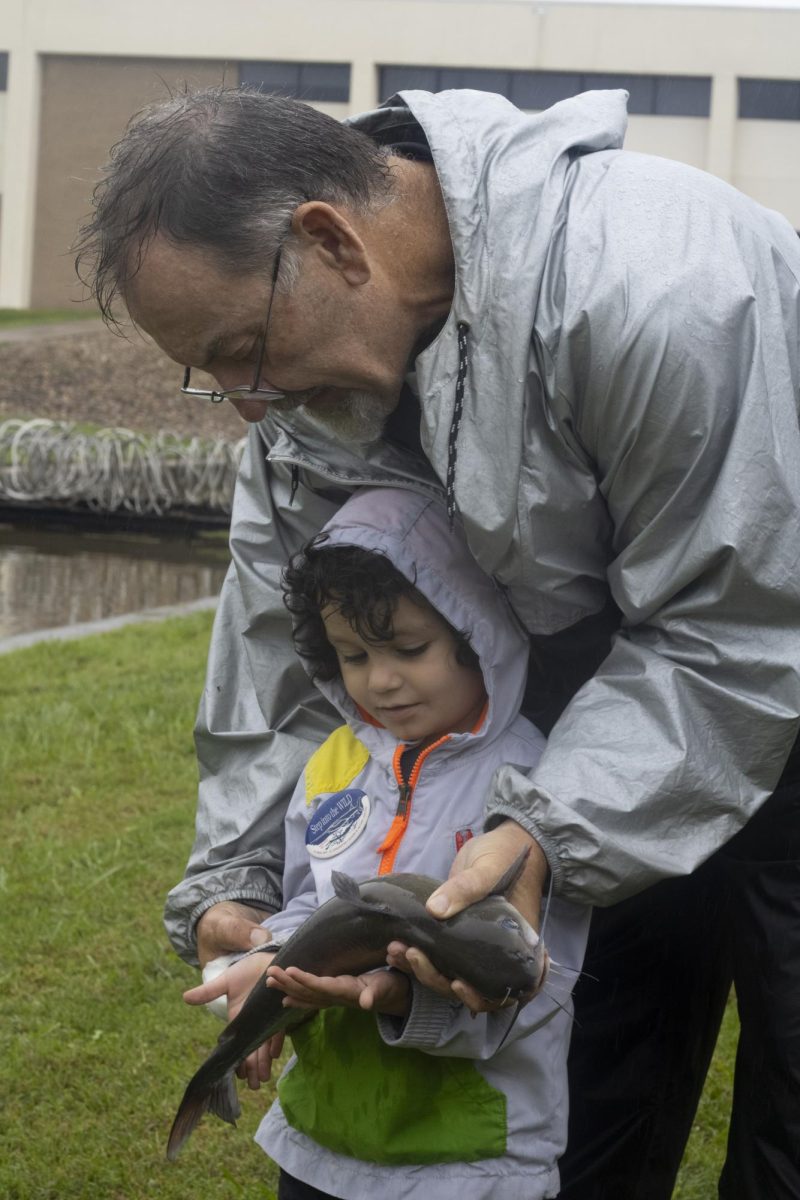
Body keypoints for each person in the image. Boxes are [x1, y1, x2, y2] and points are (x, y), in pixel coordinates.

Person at [74, 85, 800, 1199]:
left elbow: (730, 623)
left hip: (760, 647)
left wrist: (548, 822)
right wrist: (237, 885)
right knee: (584, 1066)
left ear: (328, 240)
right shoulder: (296, 427)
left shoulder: (658, 288)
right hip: (610, 711)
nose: (243, 408)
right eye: (206, 371)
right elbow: (290, 675)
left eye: (242, 350)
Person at [186, 485, 588, 1200]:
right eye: (352, 655)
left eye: (409, 648)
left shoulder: (534, 785)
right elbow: (309, 899)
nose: (382, 681)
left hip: (470, 1160)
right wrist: (268, 964)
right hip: (320, 1141)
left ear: (480, 633)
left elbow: (532, 978)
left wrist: (404, 997)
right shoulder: (335, 762)